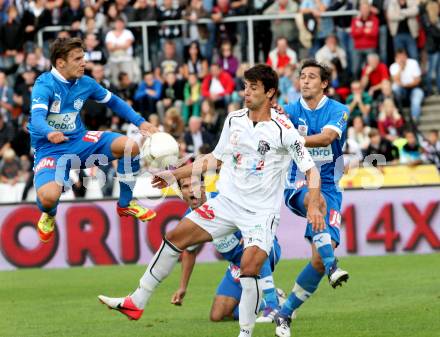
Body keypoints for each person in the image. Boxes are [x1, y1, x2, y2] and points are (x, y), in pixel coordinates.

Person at [98, 64, 323, 337]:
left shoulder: (283, 130)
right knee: (174, 237)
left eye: (253, 88)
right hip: (226, 203)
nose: (246, 92)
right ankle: (137, 301)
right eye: (245, 86)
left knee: (249, 268)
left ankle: (245, 333)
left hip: (260, 213)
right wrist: (175, 174)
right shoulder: (233, 120)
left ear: (270, 92)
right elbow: (214, 159)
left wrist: (312, 205)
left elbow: (311, 170)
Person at [29, 37, 158, 243]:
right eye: (78, 58)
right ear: (61, 63)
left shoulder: (86, 83)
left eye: (84, 57)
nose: (84, 62)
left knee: (129, 147)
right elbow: (36, 119)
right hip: (50, 148)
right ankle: (49, 213)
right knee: (48, 197)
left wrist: (140, 122)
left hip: (80, 141)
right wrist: (48, 132)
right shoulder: (44, 85)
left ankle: (126, 204)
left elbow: (114, 102)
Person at [275, 59, 350, 337]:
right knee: (312, 201)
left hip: (330, 186)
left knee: (318, 258)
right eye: (302, 77)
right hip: (297, 182)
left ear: (324, 83)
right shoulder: (290, 110)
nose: (304, 81)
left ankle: (284, 314)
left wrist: (289, 137)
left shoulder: (339, 110)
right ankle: (334, 267)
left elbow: (326, 139)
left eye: (311, 77)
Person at [170, 175, 284, 323]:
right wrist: (182, 287)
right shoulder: (189, 220)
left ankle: (272, 306)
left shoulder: (223, 198)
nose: (192, 190)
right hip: (237, 265)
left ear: (203, 186)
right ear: (181, 193)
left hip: (264, 248)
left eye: (195, 184)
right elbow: (190, 251)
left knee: (255, 249)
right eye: (185, 187)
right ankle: (277, 300)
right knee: (218, 315)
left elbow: (255, 205)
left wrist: (251, 229)